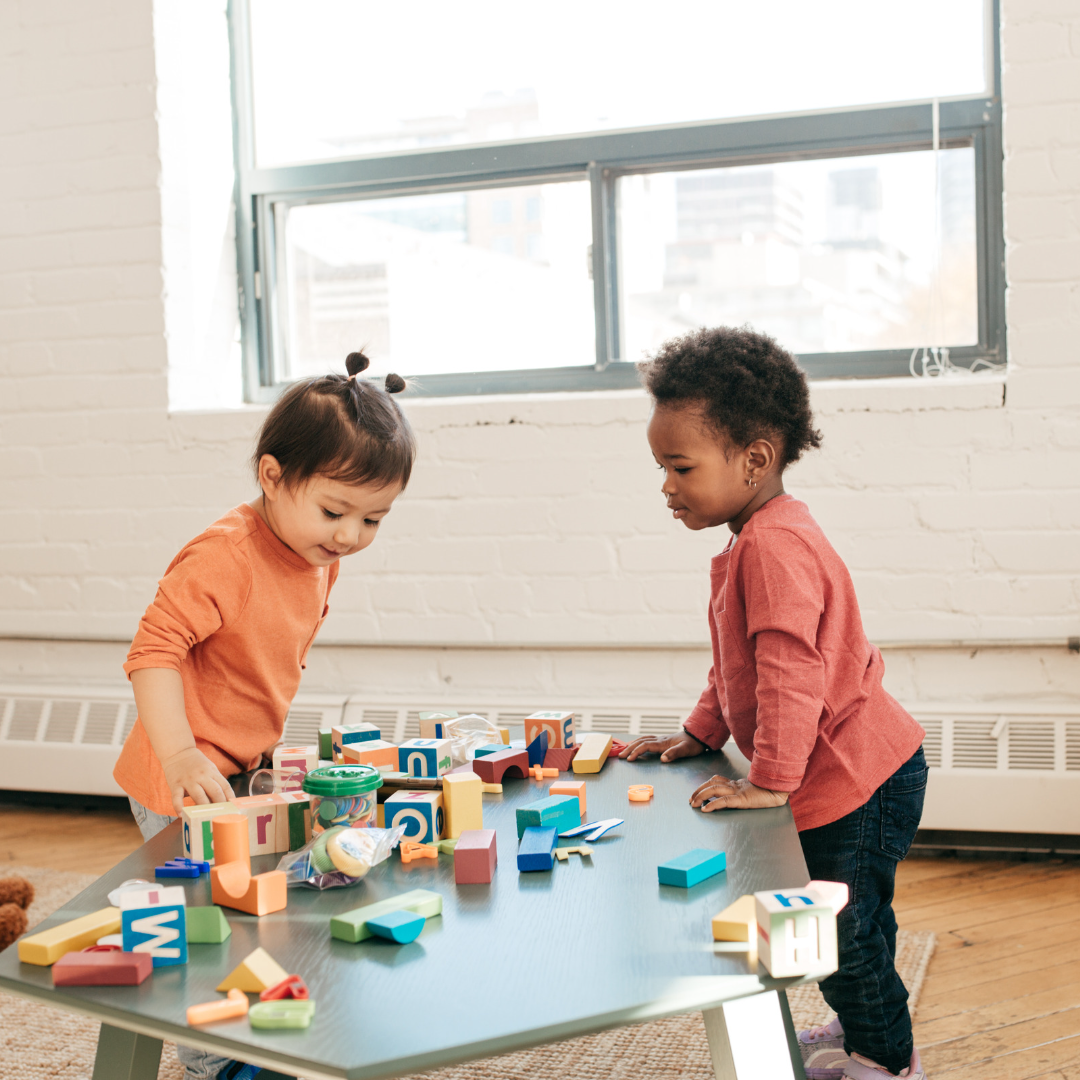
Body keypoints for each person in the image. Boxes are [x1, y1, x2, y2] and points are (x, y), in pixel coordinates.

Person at [619, 326, 928, 1080]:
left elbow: (792, 673)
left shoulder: (772, 546)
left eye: (680, 466)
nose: (666, 485)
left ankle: (887, 1062)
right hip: (856, 774)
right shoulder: (760, 535)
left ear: (754, 458)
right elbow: (742, 665)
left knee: (843, 935)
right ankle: (867, 1027)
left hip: (858, 782)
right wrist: (701, 730)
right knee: (849, 927)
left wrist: (771, 781)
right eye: (662, 466)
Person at [112, 351, 414, 1080]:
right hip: (180, 774)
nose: (349, 535)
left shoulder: (316, 553)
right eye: (335, 511)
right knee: (201, 924)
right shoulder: (225, 555)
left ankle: (274, 1024)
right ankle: (216, 1059)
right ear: (272, 477)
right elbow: (152, 653)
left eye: (373, 518)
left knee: (263, 904)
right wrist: (184, 755)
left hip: (240, 773)